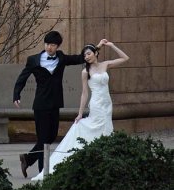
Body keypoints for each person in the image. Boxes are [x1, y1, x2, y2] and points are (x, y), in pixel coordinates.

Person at [31, 39, 129, 181]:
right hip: (96, 104)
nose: (86, 57)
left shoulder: (105, 65)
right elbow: (84, 93)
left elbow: (125, 58)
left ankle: (105, 163)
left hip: (107, 104)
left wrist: (111, 45)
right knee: (96, 128)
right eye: (84, 56)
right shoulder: (85, 72)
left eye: (88, 54)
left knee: (106, 128)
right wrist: (80, 113)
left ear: (95, 53)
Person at [13, 30, 84, 178]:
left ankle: (28, 158)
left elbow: (79, 58)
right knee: (43, 139)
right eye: (47, 44)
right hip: (40, 104)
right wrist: (16, 95)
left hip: (55, 104)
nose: (49, 47)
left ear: (57, 46)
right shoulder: (33, 60)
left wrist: (95, 48)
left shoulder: (62, 58)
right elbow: (22, 77)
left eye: (52, 45)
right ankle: (42, 173)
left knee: (51, 136)